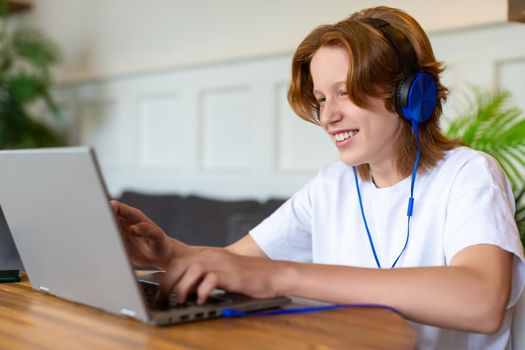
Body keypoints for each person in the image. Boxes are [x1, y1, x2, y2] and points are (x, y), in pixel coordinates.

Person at [111, 6, 524, 349]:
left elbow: (481, 301)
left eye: (345, 92)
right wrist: (167, 253)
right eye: (322, 98)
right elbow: (236, 263)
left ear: (409, 94)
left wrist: (282, 275)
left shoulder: (469, 174)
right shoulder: (333, 185)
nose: (328, 116)